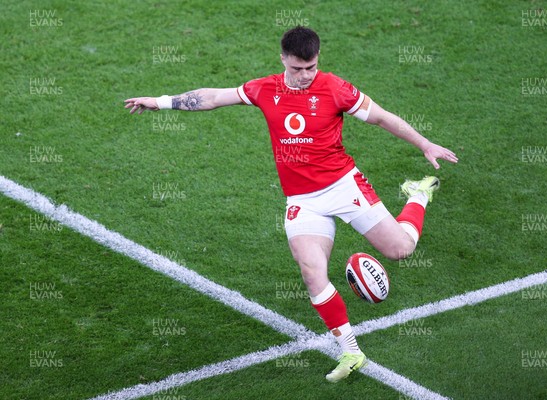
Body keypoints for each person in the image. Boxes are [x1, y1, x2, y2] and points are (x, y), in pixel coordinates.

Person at [124, 26, 458, 383]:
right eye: (297, 68)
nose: (304, 76)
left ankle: (418, 194)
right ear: (283, 58)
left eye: (310, 67)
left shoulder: (334, 88)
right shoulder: (264, 89)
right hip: (302, 200)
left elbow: (381, 117)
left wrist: (424, 145)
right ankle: (352, 352)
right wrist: (160, 101)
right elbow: (213, 97)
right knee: (312, 271)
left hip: (343, 186)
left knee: (401, 249)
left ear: (318, 60)